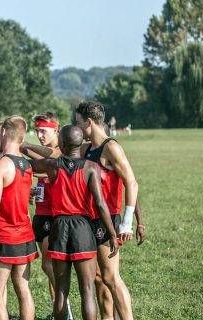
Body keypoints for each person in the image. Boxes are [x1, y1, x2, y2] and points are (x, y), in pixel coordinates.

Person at [30, 125, 119, 319]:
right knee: (87, 290)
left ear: (61, 143)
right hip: (83, 229)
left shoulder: (52, 165)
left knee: (61, 291)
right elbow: (101, 204)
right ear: (81, 144)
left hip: (59, 227)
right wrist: (112, 234)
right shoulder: (91, 167)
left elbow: (26, 165)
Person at [76, 101, 145, 320]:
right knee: (100, 277)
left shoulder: (110, 147)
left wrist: (127, 222)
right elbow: (60, 152)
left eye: (78, 123)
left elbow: (132, 183)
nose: (76, 128)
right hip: (91, 219)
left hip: (108, 220)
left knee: (112, 278)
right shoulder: (88, 148)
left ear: (89, 122)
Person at [0, 116, 38, 320]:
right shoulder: (27, 165)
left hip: (4, 236)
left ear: (2, 132)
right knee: (24, 291)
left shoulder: (0, 165)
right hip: (25, 235)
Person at [20, 112, 73, 319]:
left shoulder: (62, 151)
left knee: (48, 264)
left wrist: (23, 146)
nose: (39, 135)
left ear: (56, 129)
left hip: (54, 215)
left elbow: (50, 159)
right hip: (41, 213)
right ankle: (57, 311)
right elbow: (40, 171)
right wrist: (32, 191)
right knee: (50, 265)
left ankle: (65, 308)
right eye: (37, 131)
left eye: (44, 130)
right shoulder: (42, 154)